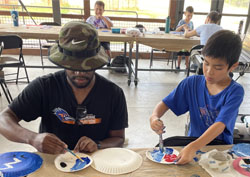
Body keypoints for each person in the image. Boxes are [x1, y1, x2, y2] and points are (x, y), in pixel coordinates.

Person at [0, 21, 128, 155]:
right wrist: (32, 138)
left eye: (86, 68)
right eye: (72, 67)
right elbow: (4, 119)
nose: (79, 73)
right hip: (53, 160)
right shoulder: (45, 87)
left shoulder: (113, 93)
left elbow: (118, 138)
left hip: (96, 160)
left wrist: (98, 144)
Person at [150, 30, 244, 165]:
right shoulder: (191, 83)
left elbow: (220, 125)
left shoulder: (235, 91)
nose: (209, 71)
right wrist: (154, 117)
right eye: (206, 63)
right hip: (193, 141)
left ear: (233, 66)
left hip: (219, 148)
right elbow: (165, 103)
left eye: (218, 67)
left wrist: (194, 147)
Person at [175, 6, 194, 70]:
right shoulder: (182, 21)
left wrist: (190, 30)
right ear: (185, 14)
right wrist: (182, 26)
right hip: (181, 40)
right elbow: (177, 30)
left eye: (191, 16)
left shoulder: (191, 23)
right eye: (188, 15)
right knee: (180, 54)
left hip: (188, 41)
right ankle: (178, 66)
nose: (190, 17)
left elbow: (193, 31)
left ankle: (187, 66)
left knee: (187, 54)